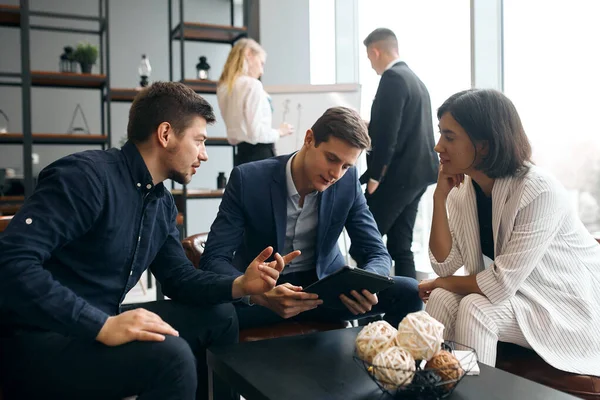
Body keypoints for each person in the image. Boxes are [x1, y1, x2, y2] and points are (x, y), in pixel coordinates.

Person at [0, 82, 295, 400]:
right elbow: (11, 262)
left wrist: (241, 285)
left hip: (101, 321)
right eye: (198, 141)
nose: (204, 155)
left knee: (220, 316)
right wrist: (101, 325)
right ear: (166, 134)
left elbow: (179, 280)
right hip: (41, 340)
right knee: (173, 358)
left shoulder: (161, 203)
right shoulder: (85, 178)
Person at [420, 89, 600, 375]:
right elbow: (444, 264)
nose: (438, 146)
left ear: (484, 146)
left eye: (449, 137)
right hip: (521, 297)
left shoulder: (538, 190)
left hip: (565, 305)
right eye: (440, 134)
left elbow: (500, 284)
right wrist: (439, 199)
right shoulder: (462, 191)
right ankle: (430, 386)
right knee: (442, 298)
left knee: (477, 309)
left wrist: (444, 282)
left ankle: (472, 396)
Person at [200, 106, 422, 330]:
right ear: (309, 139)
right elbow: (213, 259)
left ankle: (385, 362)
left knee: (410, 292)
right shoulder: (248, 179)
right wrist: (256, 293)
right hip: (264, 293)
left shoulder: (347, 181)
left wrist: (365, 286)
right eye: (331, 158)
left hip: (326, 292)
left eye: (346, 166)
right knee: (207, 315)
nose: (336, 174)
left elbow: (376, 252)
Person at [360, 28, 439, 279]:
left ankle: (362, 307)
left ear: (375, 51)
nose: (371, 65)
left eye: (369, 57)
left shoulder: (392, 79)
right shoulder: (416, 80)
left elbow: (388, 135)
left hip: (396, 177)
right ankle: (409, 311)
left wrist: (374, 178)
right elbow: (408, 129)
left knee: (364, 242)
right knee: (400, 245)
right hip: (419, 175)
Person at [217, 38, 294, 166]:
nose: (261, 71)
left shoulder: (223, 88)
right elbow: (256, 134)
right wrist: (280, 132)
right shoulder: (252, 85)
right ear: (248, 54)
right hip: (261, 156)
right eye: (261, 63)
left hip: (241, 156)